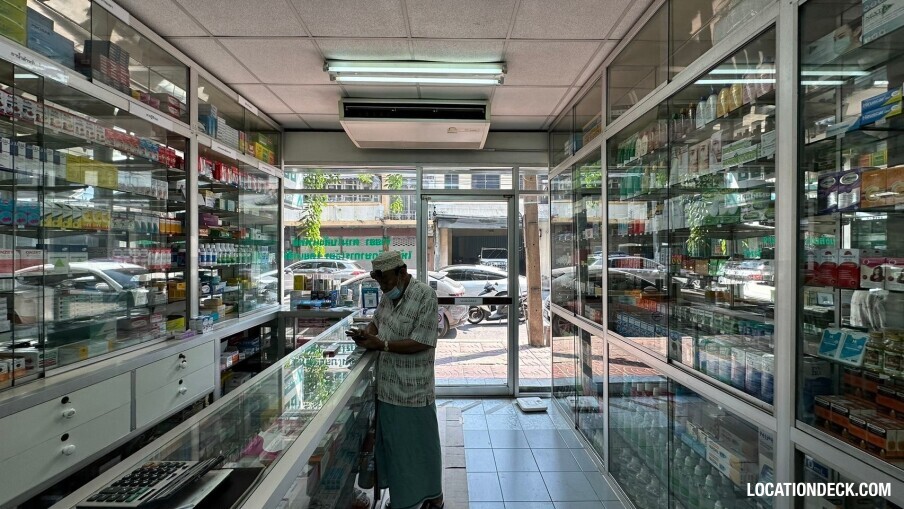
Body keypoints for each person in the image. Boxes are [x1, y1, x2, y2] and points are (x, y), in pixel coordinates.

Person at [347, 251, 443, 509]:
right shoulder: (388, 297)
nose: (383, 287)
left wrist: (383, 345)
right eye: (379, 282)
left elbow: (423, 341)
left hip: (414, 390)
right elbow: (376, 324)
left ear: (402, 272)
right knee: (397, 453)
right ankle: (404, 501)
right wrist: (365, 334)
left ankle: (433, 497)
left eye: (386, 280)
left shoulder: (425, 296)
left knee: (421, 449)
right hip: (387, 389)